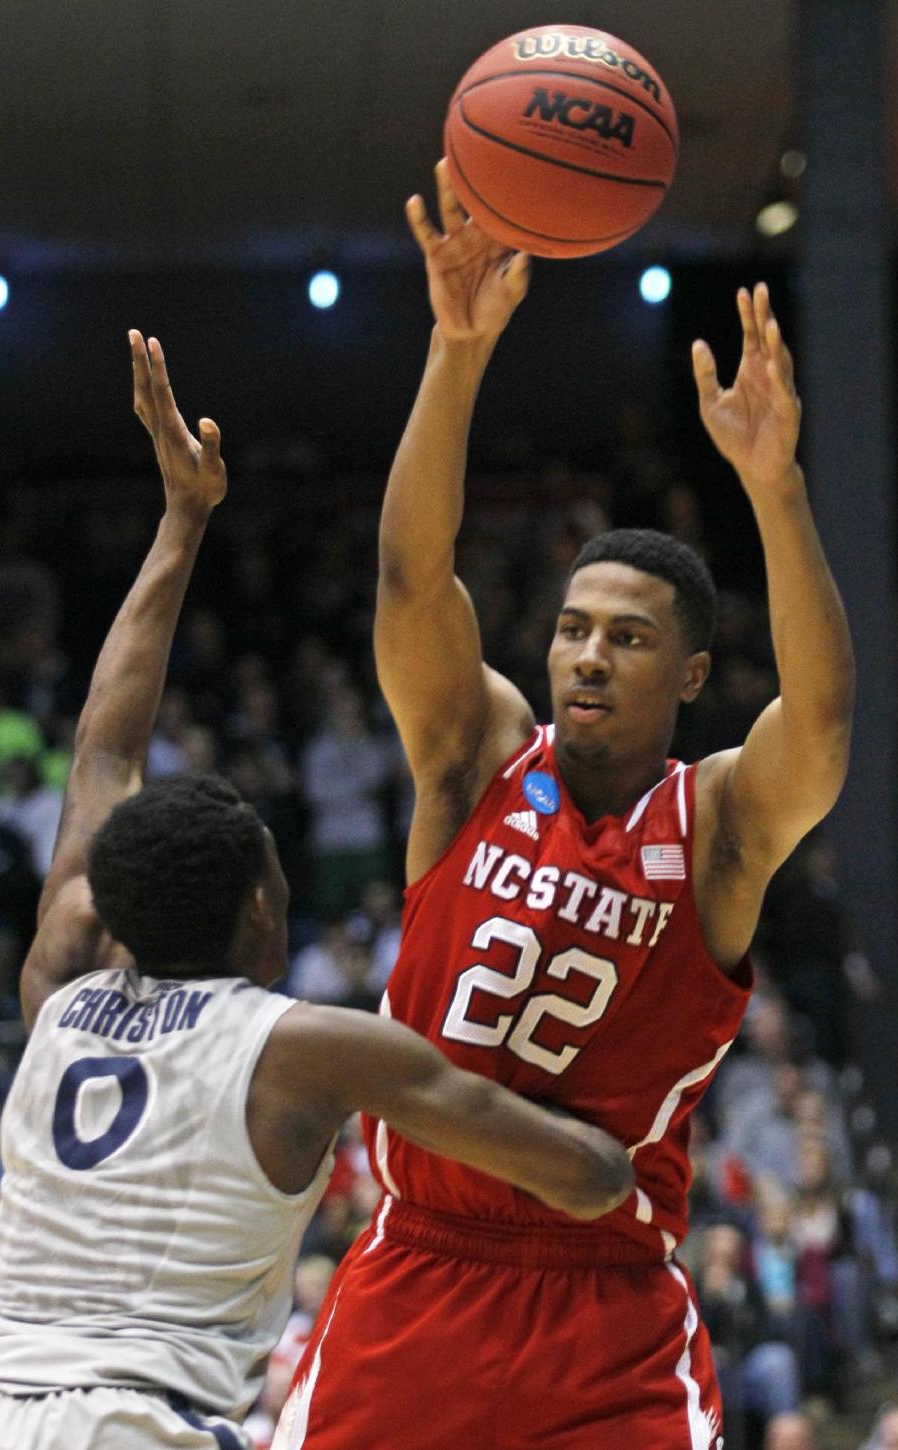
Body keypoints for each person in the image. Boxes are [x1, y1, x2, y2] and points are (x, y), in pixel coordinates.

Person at [0, 331, 632, 1450]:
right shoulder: (307, 1043)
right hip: (134, 1423)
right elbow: (587, 1176)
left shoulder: (57, 991)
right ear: (263, 910)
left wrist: (182, 522)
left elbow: (102, 754)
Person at [276, 160, 854, 1450]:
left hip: (607, 1301)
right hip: (417, 1271)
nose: (589, 654)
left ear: (690, 672)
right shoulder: (471, 758)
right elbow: (410, 575)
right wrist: (457, 348)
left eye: (630, 638)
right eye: (575, 629)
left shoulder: (716, 833)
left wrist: (774, 485)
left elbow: (818, 728)